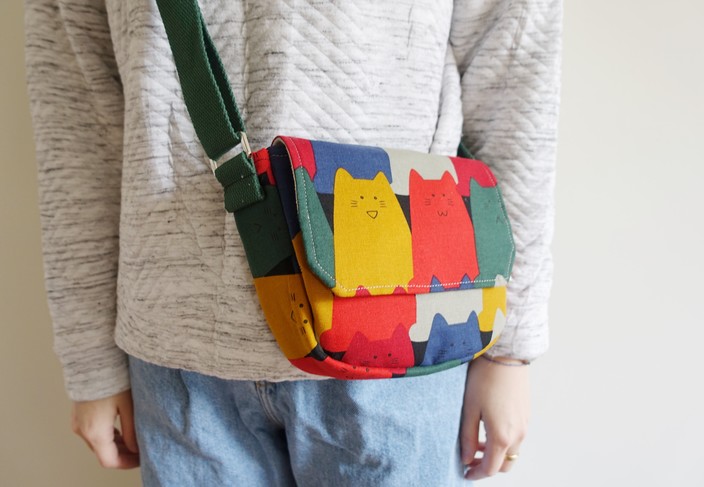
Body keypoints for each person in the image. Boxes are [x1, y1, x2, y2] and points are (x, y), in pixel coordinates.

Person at [25, 0, 562, 484]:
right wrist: (90, 360)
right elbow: (76, 116)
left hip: (400, 337)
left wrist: (509, 349)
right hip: (177, 355)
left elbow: (513, 66)